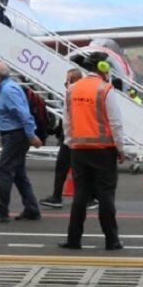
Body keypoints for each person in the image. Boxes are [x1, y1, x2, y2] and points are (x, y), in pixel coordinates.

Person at [58, 60, 126, 251]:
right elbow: (115, 123)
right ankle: (111, 240)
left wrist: (70, 143)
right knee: (105, 195)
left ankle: (73, 239)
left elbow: (67, 121)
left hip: (79, 150)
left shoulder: (71, 89)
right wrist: (120, 149)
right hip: (103, 150)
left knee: (80, 195)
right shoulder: (105, 89)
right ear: (104, 71)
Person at [0, 62, 43, 223]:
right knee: (18, 174)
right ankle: (32, 209)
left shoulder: (8, 91)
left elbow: (24, 114)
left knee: (3, 170)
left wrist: (31, 135)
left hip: (15, 136)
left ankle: (2, 210)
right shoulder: (8, 88)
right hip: (13, 135)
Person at [40, 69, 100, 211]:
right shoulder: (73, 94)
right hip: (70, 139)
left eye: (67, 80)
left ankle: (90, 198)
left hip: (76, 140)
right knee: (63, 168)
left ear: (74, 81)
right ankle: (57, 197)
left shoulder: (77, 95)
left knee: (80, 171)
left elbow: (73, 119)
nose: (65, 84)